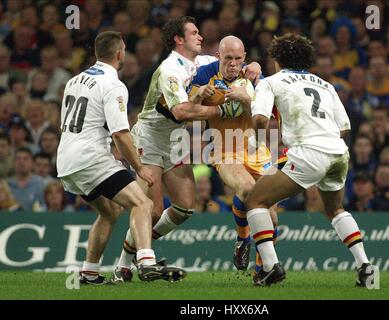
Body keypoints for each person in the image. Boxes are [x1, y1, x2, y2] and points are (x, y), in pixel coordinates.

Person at [111, 16, 261, 282]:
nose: (200, 37)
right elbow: (180, 111)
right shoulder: (170, 70)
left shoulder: (201, 62)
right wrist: (220, 109)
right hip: (150, 140)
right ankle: (126, 265)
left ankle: (140, 247)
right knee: (151, 208)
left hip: (175, 142)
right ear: (179, 40)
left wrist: (254, 67)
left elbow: (233, 61)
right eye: (194, 33)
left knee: (184, 207)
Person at [56, 31, 185, 285]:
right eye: (124, 49)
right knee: (142, 204)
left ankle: (89, 273)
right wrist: (140, 167)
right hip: (91, 158)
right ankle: (146, 262)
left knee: (109, 211)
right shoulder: (113, 84)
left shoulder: (74, 80)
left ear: (96, 53)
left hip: (66, 160)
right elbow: (121, 134)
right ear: (119, 53)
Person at [245, 33, 373, 287]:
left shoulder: (271, 82)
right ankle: (366, 267)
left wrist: (258, 142)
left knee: (256, 200)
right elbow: (344, 127)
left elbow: (260, 119)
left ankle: (271, 267)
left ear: (276, 60)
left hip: (309, 153)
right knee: (335, 209)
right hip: (338, 151)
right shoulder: (325, 84)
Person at [189, 35, 278, 273]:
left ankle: (262, 273)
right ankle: (243, 238)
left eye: (238, 59)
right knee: (249, 191)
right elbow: (186, 107)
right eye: (228, 58)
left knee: (272, 217)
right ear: (218, 56)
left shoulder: (255, 77)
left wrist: (247, 100)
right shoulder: (205, 74)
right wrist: (201, 96)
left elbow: (267, 118)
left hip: (257, 150)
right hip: (224, 148)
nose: (233, 64)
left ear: (245, 58)